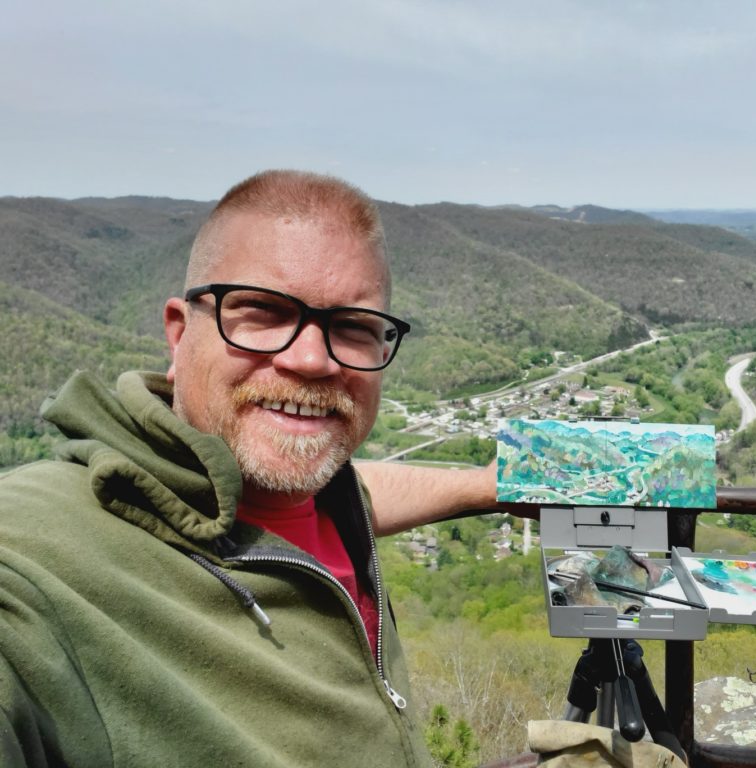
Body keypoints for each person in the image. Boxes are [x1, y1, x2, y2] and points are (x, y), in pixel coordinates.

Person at [0, 170, 498, 767]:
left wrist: (487, 487)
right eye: (261, 311)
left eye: (353, 327)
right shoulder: (34, 564)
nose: (312, 359)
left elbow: (359, 490)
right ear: (179, 334)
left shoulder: (315, 496)